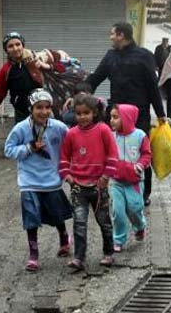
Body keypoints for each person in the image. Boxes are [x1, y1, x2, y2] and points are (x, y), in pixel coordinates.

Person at [85, 22, 166, 207]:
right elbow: (96, 78)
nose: (110, 37)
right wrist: (82, 94)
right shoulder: (110, 56)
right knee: (114, 151)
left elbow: (153, 87)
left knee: (140, 152)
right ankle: (116, 186)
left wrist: (160, 114)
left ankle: (143, 192)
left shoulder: (145, 56)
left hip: (139, 115)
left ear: (121, 35)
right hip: (115, 115)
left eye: (112, 34)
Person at [4, 89, 72, 272]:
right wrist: (28, 148)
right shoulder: (21, 129)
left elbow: (72, 142)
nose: (43, 111)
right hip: (29, 181)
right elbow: (8, 149)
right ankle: (33, 253)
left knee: (57, 214)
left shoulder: (58, 127)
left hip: (51, 179)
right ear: (31, 108)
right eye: (38, 107)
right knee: (31, 218)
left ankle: (64, 238)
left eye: (47, 107)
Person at [59, 93, 118, 271]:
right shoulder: (71, 134)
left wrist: (106, 176)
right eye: (78, 113)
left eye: (86, 113)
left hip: (99, 187)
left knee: (104, 221)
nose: (82, 117)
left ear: (94, 113)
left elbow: (112, 155)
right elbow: (63, 158)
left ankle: (108, 253)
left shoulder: (103, 130)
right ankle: (79, 257)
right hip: (78, 187)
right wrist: (68, 177)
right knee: (79, 222)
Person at [0, 32, 56, 132]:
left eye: (18, 44)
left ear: (23, 45)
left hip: (45, 112)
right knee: (23, 144)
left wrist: (50, 66)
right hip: (22, 115)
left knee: (49, 143)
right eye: (11, 46)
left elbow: (61, 64)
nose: (15, 48)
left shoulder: (37, 58)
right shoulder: (6, 70)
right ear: (6, 50)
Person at [109, 104, 151, 252]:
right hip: (116, 181)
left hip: (135, 181)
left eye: (115, 117)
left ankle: (139, 226)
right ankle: (118, 239)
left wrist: (140, 165)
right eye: (111, 117)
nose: (111, 120)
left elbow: (147, 154)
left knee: (135, 208)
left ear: (126, 118)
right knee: (117, 211)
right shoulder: (111, 136)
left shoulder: (140, 136)